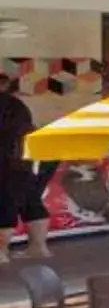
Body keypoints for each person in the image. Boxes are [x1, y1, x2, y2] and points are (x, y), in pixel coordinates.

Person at [0, 72, 48, 259]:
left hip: (7, 161)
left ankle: (1, 254)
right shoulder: (17, 104)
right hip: (28, 158)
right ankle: (39, 248)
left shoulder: (6, 103)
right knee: (31, 201)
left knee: (4, 204)